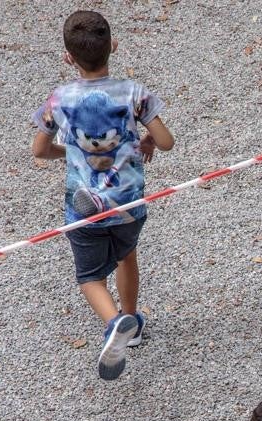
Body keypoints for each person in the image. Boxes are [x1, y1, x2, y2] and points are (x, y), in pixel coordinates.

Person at [31, 10, 174, 380]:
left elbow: (40, 151)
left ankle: (114, 323)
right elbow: (166, 141)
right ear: (113, 45)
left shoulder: (59, 99)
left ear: (68, 57)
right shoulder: (133, 92)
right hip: (129, 205)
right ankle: (132, 321)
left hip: (83, 211)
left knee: (90, 276)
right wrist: (146, 141)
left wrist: (73, 151)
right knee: (126, 255)